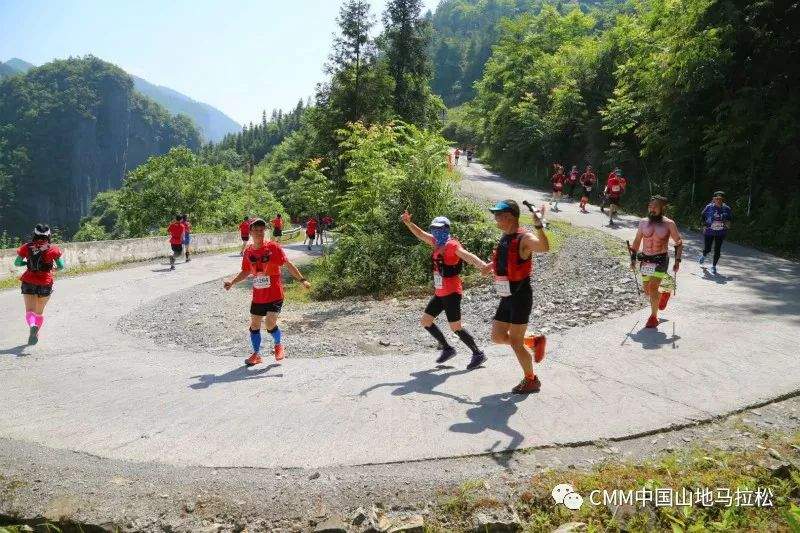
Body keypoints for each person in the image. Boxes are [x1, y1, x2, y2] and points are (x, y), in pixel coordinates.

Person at [401, 211, 489, 370]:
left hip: (452, 292)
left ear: (447, 230)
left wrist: (483, 266)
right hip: (440, 292)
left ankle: (478, 353)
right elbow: (420, 234)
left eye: (440, 229)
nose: (436, 232)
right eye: (434, 228)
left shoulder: (452, 245)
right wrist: (408, 223)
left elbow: (468, 256)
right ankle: (448, 349)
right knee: (426, 322)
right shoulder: (436, 242)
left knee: (455, 327)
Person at [481, 200, 550, 394]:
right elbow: (504, 259)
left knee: (515, 343)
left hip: (520, 297)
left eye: (498, 215)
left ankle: (531, 380)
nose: (495, 218)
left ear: (510, 216)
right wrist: (490, 266)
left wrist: (539, 226)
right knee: (497, 336)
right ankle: (534, 341)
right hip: (506, 296)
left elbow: (544, 247)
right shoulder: (505, 237)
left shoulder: (524, 238)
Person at [223, 218, 310, 366]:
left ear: (265, 231)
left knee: (270, 324)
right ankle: (256, 355)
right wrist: (232, 282)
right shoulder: (248, 251)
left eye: (261, 230)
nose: (259, 232)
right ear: (250, 232)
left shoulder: (273, 247)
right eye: (255, 230)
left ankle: (278, 345)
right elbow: (245, 271)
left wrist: (302, 280)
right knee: (255, 325)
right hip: (258, 296)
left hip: (275, 293)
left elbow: (288, 264)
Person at [628, 196, 683, 329]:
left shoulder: (669, 223)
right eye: (650, 207)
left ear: (662, 208)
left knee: (652, 288)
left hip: (660, 260)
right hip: (646, 260)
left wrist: (677, 260)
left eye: (655, 207)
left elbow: (678, 241)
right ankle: (663, 295)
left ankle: (653, 317)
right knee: (647, 290)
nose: (652, 209)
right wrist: (633, 257)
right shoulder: (643, 222)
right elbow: (637, 240)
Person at [14, 224, 64, 345]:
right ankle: (35, 332)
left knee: (29, 311)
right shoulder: (54, 249)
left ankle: (32, 326)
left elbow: (17, 263)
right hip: (45, 283)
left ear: (34, 234)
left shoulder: (26, 247)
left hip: (28, 281)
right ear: (49, 236)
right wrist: (52, 270)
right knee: (39, 312)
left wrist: (26, 264)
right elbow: (61, 266)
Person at [699, 191, 732, 275]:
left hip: (720, 232)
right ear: (713, 199)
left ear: (723, 200)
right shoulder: (709, 207)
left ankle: (713, 266)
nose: (718, 200)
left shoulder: (726, 208)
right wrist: (704, 225)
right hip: (709, 231)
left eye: (720, 199)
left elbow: (729, 219)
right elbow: (702, 216)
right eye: (716, 199)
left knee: (717, 249)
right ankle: (704, 255)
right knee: (708, 248)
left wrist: (727, 224)